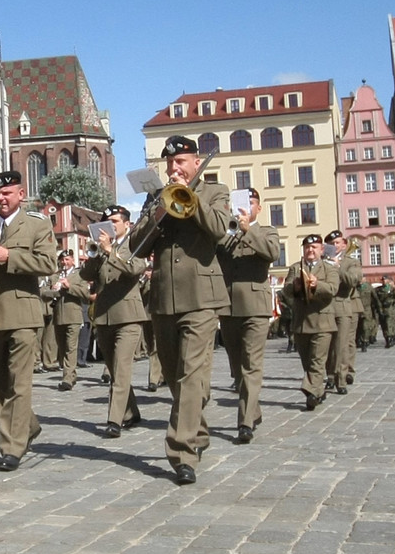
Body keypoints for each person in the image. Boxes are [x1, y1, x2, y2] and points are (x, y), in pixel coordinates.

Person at [127, 135, 232, 485]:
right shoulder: (156, 197)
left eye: (181, 162)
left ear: (195, 161)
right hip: (163, 298)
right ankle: (198, 430)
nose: (174, 169)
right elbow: (137, 247)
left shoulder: (215, 192)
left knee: (189, 373)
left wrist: (192, 198)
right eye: (170, 164)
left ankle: (181, 451)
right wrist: (158, 211)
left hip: (202, 296)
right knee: (174, 375)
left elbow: (219, 229)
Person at [0, 170, 57, 472]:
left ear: (20, 194)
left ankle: (11, 447)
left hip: (22, 313)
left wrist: (9, 256)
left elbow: (47, 263)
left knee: (20, 383)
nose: (2, 199)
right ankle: (28, 425)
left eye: (7, 194)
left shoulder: (36, 225)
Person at [216, 188, 278, 444]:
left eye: (250, 203)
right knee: (237, 369)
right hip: (229, 307)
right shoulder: (226, 233)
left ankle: (244, 423)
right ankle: (254, 410)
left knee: (251, 364)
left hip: (255, 308)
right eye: (241, 204)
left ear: (258, 208)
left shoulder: (267, 231)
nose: (245, 208)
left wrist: (246, 230)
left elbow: (271, 253)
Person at [80, 205, 147, 439]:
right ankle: (132, 412)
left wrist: (110, 251)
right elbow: (85, 276)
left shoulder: (135, 245)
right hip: (105, 316)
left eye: (115, 222)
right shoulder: (100, 249)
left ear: (127, 224)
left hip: (129, 316)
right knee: (115, 367)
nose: (111, 225)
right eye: (107, 222)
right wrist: (94, 254)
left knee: (120, 369)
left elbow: (134, 269)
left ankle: (114, 420)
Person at [281, 235, 337, 411]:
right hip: (301, 323)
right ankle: (318, 390)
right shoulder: (295, 268)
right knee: (307, 362)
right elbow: (286, 290)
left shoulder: (329, 269)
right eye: (307, 247)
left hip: (322, 322)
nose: (310, 250)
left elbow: (332, 289)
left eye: (314, 247)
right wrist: (296, 286)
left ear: (321, 250)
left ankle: (311, 393)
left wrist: (317, 284)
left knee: (317, 360)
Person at [323, 230, 362, 394]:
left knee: (344, 344)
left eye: (337, 243)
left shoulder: (351, 262)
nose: (334, 246)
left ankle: (342, 376)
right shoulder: (321, 261)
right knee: (327, 345)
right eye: (331, 244)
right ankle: (330, 375)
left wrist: (337, 267)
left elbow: (353, 280)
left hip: (344, 305)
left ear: (344, 245)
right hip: (325, 307)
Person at [50, 250, 89, 392]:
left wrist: (69, 287)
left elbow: (85, 294)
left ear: (72, 260)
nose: (64, 263)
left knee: (70, 347)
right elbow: (44, 293)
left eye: (67, 260)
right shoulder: (55, 275)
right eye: (62, 260)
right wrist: (55, 290)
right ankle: (72, 374)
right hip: (59, 316)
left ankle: (67, 378)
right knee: (62, 348)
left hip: (73, 316)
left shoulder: (79, 275)